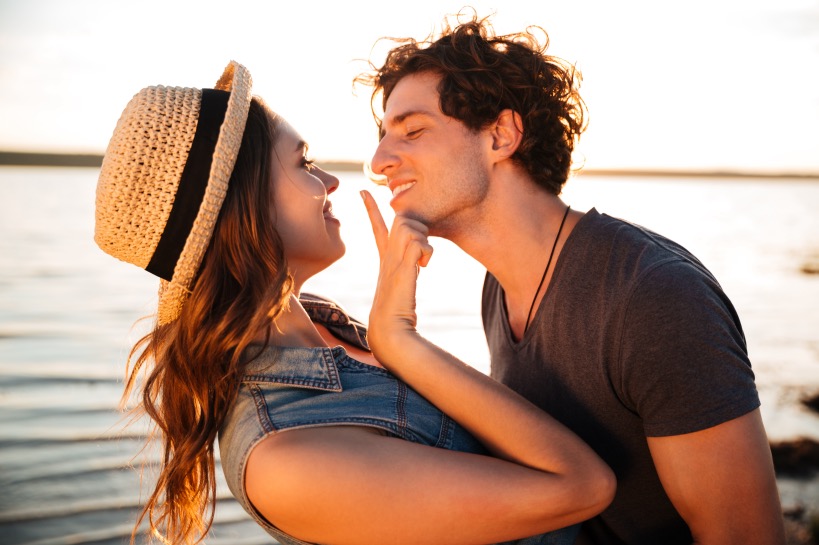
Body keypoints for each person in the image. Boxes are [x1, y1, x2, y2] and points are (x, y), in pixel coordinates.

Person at [93, 60, 615, 545]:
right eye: (304, 163)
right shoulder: (284, 461)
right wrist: (400, 339)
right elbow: (584, 486)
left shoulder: (323, 322)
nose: (331, 180)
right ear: (244, 207)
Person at [358, 12, 787, 545]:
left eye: (413, 130)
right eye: (382, 137)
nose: (378, 162)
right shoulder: (499, 288)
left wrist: (396, 336)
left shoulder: (653, 296)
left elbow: (747, 536)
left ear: (501, 135)